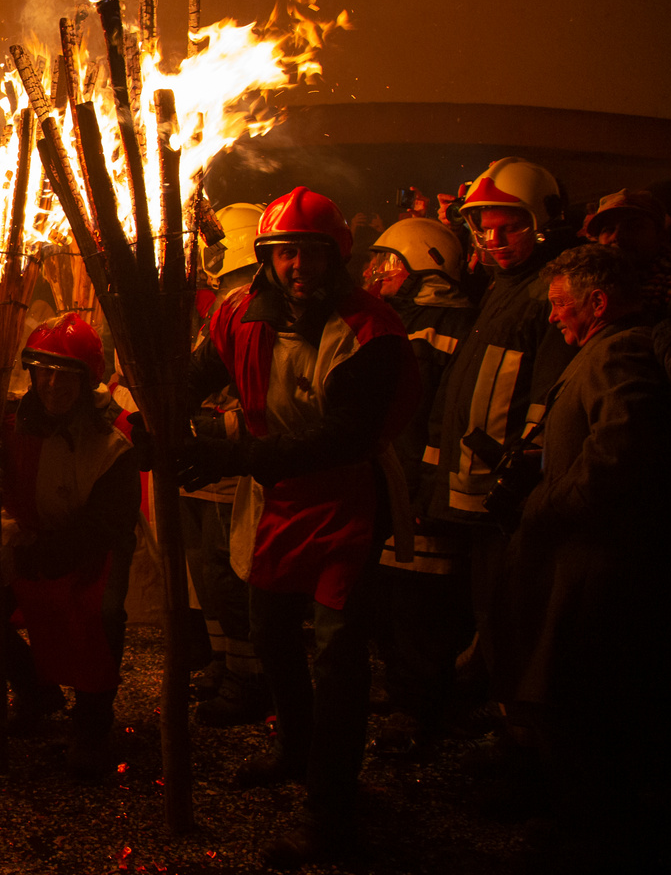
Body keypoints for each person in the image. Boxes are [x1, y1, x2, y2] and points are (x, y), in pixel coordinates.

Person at [178, 187, 418, 868]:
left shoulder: (368, 331)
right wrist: (141, 423)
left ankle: (329, 807)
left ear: (333, 257)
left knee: (337, 658)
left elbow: (339, 438)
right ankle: (295, 750)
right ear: (265, 260)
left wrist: (234, 456)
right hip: (275, 502)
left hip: (344, 504)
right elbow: (192, 379)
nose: (296, 269)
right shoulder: (235, 317)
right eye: (283, 255)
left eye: (309, 255)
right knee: (270, 632)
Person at [501, 245, 671, 869]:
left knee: (584, 709)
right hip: (584, 563)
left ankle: (596, 841)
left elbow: (619, 451)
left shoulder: (619, 350)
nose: (553, 318)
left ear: (597, 303)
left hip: (596, 569)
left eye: (560, 304)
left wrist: (549, 504)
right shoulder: (602, 352)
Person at [425, 157, 577, 786]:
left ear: (539, 223)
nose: (493, 241)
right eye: (483, 229)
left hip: (508, 496)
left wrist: (524, 475)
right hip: (477, 492)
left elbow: (548, 398)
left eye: (507, 227)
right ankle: (510, 731)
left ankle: (529, 759)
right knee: (491, 613)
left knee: (515, 618)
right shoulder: (503, 288)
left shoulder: (549, 291)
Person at [0, 312, 140, 775]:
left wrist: (23, 562)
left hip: (92, 554)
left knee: (101, 617)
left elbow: (100, 531)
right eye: (44, 372)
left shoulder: (113, 443)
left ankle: (93, 723)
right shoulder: (7, 421)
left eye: (66, 375)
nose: (53, 385)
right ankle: (37, 694)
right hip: (29, 544)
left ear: (87, 380)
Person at [360, 218, 480, 757]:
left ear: (426, 268)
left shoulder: (445, 324)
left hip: (421, 489)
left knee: (421, 606)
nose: (377, 273)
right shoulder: (403, 318)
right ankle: (404, 692)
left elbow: (442, 415)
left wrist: (428, 485)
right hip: (396, 481)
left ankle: (420, 708)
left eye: (391, 263)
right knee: (392, 598)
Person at [179, 202, 272, 727]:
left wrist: (213, 427)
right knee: (208, 575)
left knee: (234, 576)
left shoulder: (255, 314)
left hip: (231, 468)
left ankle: (249, 676)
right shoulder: (223, 310)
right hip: (204, 462)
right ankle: (224, 661)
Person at [582, 187, 671, 319]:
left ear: (662, 236)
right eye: (608, 229)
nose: (617, 236)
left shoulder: (670, 293)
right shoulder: (586, 284)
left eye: (634, 227)